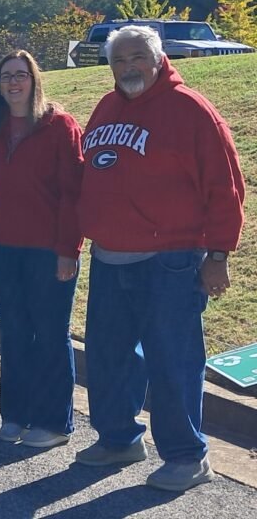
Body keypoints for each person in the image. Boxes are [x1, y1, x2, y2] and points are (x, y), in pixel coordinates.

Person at [74, 26, 245, 492]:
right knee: (109, 357)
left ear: (158, 58)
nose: (127, 67)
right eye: (118, 60)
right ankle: (119, 439)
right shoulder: (106, 107)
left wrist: (218, 254)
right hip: (110, 258)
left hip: (169, 260)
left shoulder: (190, 109)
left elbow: (225, 186)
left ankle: (188, 457)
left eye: (136, 57)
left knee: (173, 361)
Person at [0, 50, 84, 448]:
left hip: (47, 249)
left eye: (21, 74)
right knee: (15, 332)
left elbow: (73, 193)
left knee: (51, 333)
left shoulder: (59, 126)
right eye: (6, 75)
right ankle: (15, 415)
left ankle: (54, 422)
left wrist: (68, 249)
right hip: (0, 246)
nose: (13, 82)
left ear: (35, 79)